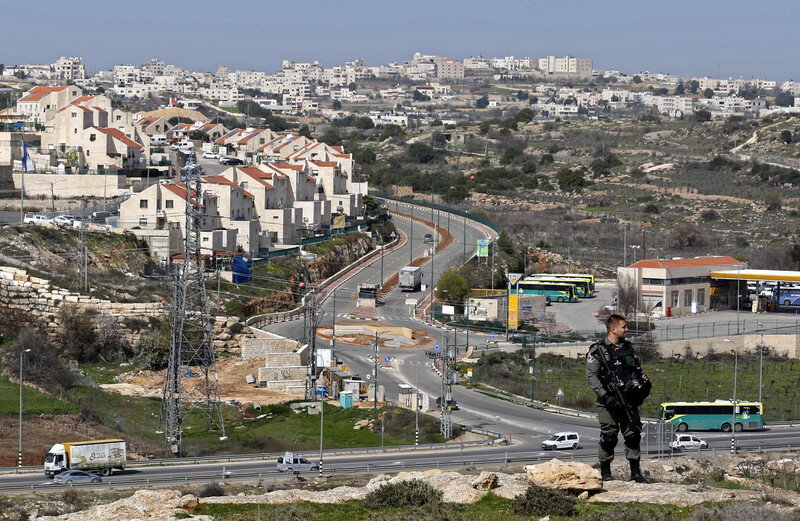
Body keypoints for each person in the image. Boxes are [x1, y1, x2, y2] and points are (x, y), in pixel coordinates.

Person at [586, 314, 650, 483]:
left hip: (629, 400)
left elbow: (637, 369)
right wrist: (605, 396)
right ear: (613, 329)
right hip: (608, 402)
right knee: (609, 438)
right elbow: (591, 376)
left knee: (633, 436)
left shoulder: (628, 348)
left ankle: (636, 472)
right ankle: (605, 472)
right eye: (624, 326)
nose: (627, 329)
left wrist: (641, 384)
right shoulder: (598, 350)